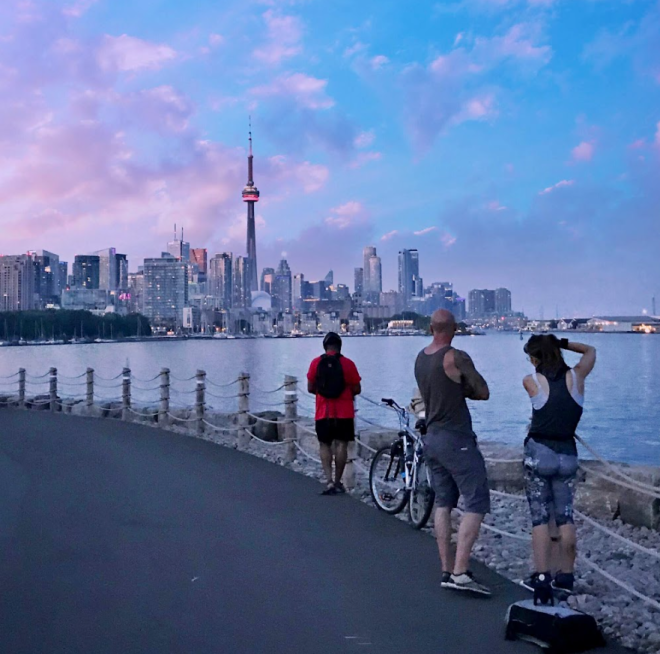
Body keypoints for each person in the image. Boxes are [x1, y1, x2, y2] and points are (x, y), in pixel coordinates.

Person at [414, 309, 492, 596]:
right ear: (455, 328)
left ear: (430, 328)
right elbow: (482, 391)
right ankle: (460, 572)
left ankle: (447, 570)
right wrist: (464, 389)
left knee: (443, 503)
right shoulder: (456, 357)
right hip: (456, 438)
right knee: (477, 500)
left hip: (431, 438)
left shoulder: (421, 358)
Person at [521, 335, 596, 598]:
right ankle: (565, 576)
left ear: (535, 358)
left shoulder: (530, 381)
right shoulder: (577, 377)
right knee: (565, 515)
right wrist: (561, 342)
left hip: (539, 452)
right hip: (567, 452)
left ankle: (542, 576)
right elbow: (590, 350)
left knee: (540, 517)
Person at [307, 332, 361, 495]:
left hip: (323, 411)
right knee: (341, 444)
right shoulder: (348, 364)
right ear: (340, 346)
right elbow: (357, 388)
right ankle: (338, 481)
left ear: (325, 347)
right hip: (344, 412)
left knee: (324, 444)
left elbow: (310, 387)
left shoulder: (316, 363)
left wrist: (322, 392)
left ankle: (329, 480)